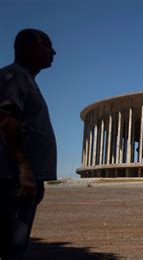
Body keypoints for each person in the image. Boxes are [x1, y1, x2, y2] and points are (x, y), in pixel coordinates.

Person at [0, 28, 57, 258]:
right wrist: (23, 168)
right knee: (10, 245)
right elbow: (6, 119)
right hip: (13, 178)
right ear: (30, 47)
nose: (53, 52)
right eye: (47, 45)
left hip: (25, 178)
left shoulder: (26, 79)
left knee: (16, 244)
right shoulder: (13, 77)